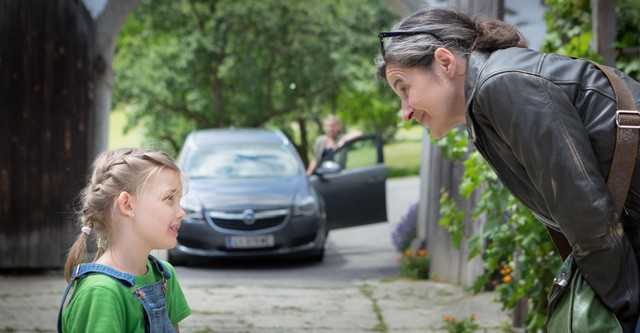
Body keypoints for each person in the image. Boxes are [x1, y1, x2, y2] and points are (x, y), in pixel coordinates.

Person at [376, 6, 640, 332]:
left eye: (404, 89)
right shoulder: (491, 93)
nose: (405, 112)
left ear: (445, 62)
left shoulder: (501, 83)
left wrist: (622, 313)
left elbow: (586, 213)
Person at [57, 148, 191, 333]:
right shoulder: (101, 292)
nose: (182, 212)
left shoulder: (164, 275)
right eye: (169, 198)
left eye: (179, 200)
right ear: (127, 204)